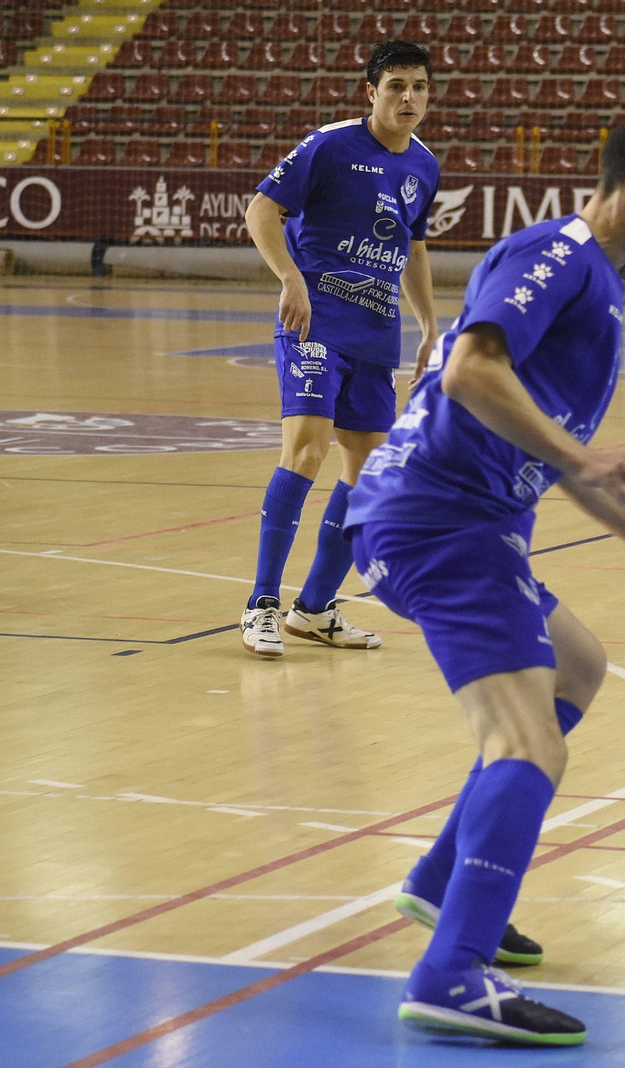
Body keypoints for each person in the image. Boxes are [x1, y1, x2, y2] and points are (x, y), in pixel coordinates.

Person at [344, 108, 625, 1045]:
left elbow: (553, 458)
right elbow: (471, 374)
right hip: (440, 525)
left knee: (579, 668)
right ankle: (451, 974)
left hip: (458, 524)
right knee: (530, 747)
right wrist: (590, 456)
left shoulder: (592, 279)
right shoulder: (561, 255)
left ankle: (443, 881)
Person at [238, 41, 441, 658]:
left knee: (369, 474)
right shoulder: (329, 145)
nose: (408, 97)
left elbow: (412, 247)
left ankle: (316, 608)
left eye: (419, 87)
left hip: (376, 332)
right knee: (307, 451)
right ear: (371, 92)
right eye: (396, 86)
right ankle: (261, 605)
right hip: (315, 320)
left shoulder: (425, 166)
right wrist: (290, 278)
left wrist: (429, 324)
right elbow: (261, 210)